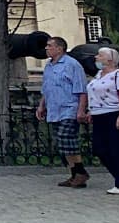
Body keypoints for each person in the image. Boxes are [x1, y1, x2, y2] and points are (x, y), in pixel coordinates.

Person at [37, 36, 89, 187]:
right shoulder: (49, 66)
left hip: (69, 108)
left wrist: (81, 110)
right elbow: (46, 88)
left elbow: (81, 89)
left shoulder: (72, 65)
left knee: (67, 138)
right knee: (62, 143)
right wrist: (41, 105)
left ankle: (81, 172)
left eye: (49, 46)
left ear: (59, 48)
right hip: (54, 109)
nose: (46, 48)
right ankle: (75, 174)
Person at [86, 46, 119, 195]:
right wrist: (91, 109)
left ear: (110, 60)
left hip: (113, 113)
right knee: (99, 148)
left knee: (116, 148)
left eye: (99, 56)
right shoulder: (98, 75)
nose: (96, 58)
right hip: (98, 114)